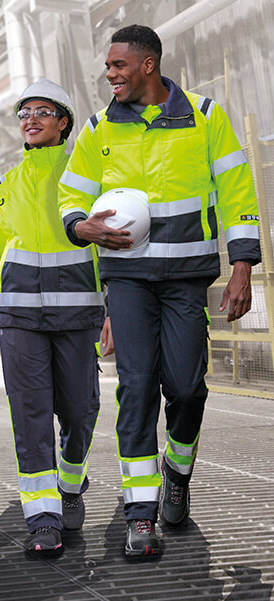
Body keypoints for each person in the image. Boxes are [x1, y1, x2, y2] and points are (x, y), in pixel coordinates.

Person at [59, 25, 260, 557]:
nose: (110, 74)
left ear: (148, 64)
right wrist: (81, 225)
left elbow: (238, 188)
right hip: (127, 279)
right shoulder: (101, 127)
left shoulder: (205, 117)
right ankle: (140, 513)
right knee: (138, 386)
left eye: (119, 65)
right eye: (108, 66)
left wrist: (241, 265)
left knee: (188, 389)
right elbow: (71, 193)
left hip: (187, 277)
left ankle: (178, 466)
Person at [0, 79, 106, 554]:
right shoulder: (4, 189)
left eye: (42, 111)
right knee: (30, 414)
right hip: (18, 321)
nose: (31, 120)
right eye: (24, 113)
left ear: (63, 121)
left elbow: (110, 255)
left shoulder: (88, 180)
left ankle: (70, 483)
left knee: (81, 411)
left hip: (80, 317)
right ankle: (42, 515)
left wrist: (114, 312)